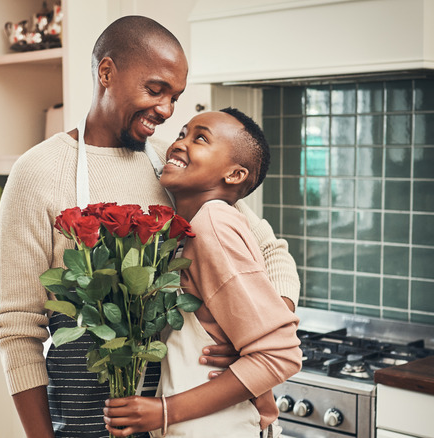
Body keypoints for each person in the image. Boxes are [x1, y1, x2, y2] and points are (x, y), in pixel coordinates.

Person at [0, 16, 300, 438]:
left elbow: (270, 249)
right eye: (155, 90)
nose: (166, 110)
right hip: (84, 416)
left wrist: (254, 330)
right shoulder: (38, 172)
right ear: (106, 73)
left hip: (179, 415)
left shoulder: (173, 168)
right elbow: (17, 328)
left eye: (174, 97)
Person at [102, 108, 302, 438]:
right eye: (182, 134)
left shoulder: (214, 225)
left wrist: (164, 412)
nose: (179, 143)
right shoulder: (194, 228)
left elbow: (280, 354)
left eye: (200, 138)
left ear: (235, 175)